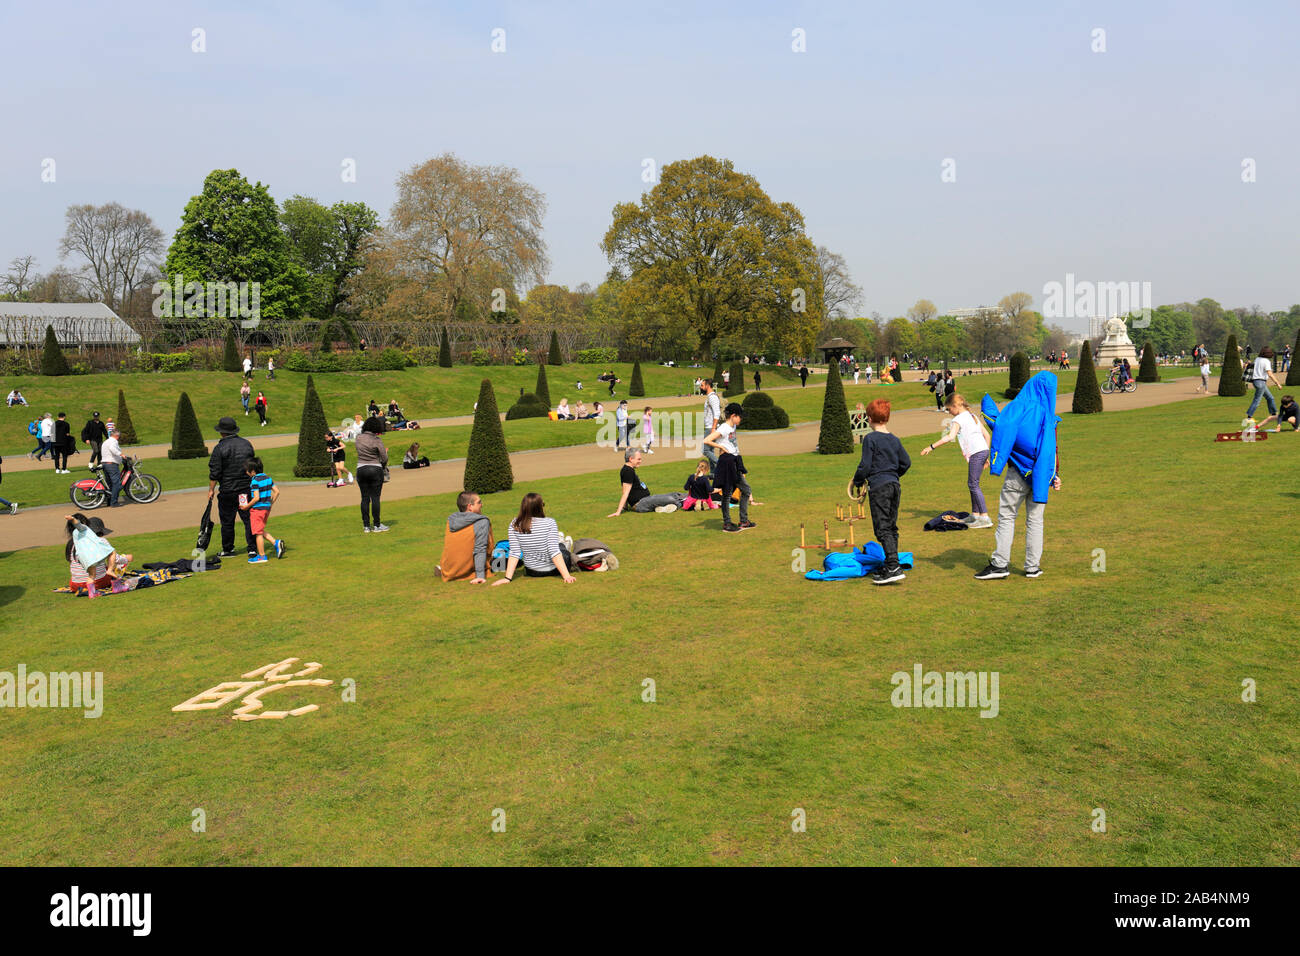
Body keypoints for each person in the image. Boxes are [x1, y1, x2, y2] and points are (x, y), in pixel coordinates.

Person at [975, 374, 1063, 581]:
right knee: (1035, 521)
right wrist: (1054, 474)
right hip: (1041, 476)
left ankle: (1000, 564)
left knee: (1007, 517)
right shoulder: (1049, 417)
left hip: (1018, 474)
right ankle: (1032, 567)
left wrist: (987, 408)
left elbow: (1000, 426)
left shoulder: (1019, 407)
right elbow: (1052, 450)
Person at [852, 399, 910, 583]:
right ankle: (892, 563)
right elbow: (906, 463)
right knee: (891, 526)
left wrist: (858, 480)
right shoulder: (894, 439)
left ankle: (893, 566)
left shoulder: (870, 439)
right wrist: (894, 475)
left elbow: (865, 465)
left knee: (882, 527)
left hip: (879, 487)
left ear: (869, 418)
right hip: (894, 485)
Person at [920, 393, 992, 528]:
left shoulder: (958, 419)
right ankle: (975, 515)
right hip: (982, 451)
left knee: (973, 484)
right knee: (972, 483)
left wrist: (931, 447)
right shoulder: (973, 416)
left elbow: (950, 437)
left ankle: (985, 517)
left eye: (949, 409)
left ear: (955, 406)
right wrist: (986, 454)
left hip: (977, 452)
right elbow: (987, 435)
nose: (949, 412)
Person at [493, 493, 578, 584]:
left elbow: (515, 552)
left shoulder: (514, 524)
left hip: (532, 571)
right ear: (539, 507)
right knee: (561, 549)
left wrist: (507, 578)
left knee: (558, 547)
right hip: (554, 569)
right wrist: (566, 576)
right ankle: (563, 543)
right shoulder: (550, 522)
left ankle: (560, 540)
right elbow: (553, 551)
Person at [207, 417, 256, 555]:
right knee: (248, 519)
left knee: (227, 521)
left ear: (222, 432)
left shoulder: (220, 448)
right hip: (244, 489)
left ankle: (228, 549)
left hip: (228, 490)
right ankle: (252, 548)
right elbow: (253, 466)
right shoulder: (246, 444)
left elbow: (215, 472)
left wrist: (211, 489)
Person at [704, 402, 754, 533]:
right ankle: (728, 523)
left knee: (745, 490)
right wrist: (720, 447)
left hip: (734, 461)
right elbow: (707, 440)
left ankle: (743, 521)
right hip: (727, 462)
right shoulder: (724, 428)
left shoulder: (732, 427)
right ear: (733, 416)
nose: (741, 419)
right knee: (727, 494)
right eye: (740, 416)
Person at [64, 513, 127, 596]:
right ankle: (116, 585)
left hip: (75, 584)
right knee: (111, 563)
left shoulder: (72, 544)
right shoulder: (97, 539)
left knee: (91, 575)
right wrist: (126, 559)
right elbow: (116, 559)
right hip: (99, 582)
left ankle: (92, 593)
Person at [608, 448, 686, 515]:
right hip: (641, 504)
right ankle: (686, 503)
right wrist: (619, 511)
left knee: (674, 494)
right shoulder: (628, 471)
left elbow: (624, 489)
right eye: (638, 459)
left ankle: (690, 497)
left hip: (646, 500)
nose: (640, 461)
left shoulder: (628, 470)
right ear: (631, 459)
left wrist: (625, 507)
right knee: (670, 499)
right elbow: (625, 492)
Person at [440, 492, 493, 583]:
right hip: (465, 569)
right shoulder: (482, 521)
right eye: (479, 502)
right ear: (470, 507)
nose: (482, 505)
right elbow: (480, 548)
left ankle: (447, 570)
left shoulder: (451, 519)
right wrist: (480, 576)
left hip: (448, 569)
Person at [240, 456, 285, 563]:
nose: (246, 472)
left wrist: (246, 506)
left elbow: (256, 498)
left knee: (257, 533)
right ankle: (275, 542)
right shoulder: (268, 478)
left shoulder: (254, 481)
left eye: (247, 470)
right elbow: (277, 492)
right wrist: (270, 504)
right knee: (259, 529)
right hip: (266, 509)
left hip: (257, 510)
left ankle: (262, 556)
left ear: (253, 471)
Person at [356, 416, 390, 533]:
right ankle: (377, 525)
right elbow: (384, 457)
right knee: (375, 498)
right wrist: (383, 461)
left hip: (361, 468)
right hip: (375, 468)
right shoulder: (376, 440)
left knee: (365, 498)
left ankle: (366, 526)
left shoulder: (358, 438)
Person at [1245, 347, 1282, 421]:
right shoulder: (1266, 361)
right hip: (1261, 382)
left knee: (1270, 398)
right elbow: (1270, 373)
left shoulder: (1257, 359)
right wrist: (1278, 383)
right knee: (1257, 400)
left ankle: (1274, 414)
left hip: (1256, 381)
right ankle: (1249, 417)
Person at [700, 379, 722, 478]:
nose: (701, 387)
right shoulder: (709, 397)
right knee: (711, 450)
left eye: (702, 385)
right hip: (710, 427)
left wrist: (713, 428)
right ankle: (713, 473)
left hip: (711, 428)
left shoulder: (712, 397)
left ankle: (721, 465)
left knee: (705, 450)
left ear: (708, 385)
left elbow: (717, 413)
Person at [100, 428, 125, 507]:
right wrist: (121, 454)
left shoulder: (106, 441)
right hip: (111, 465)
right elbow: (112, 449)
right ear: (117, 436)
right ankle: (114, 503)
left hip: (105, 464)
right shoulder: (114, 441)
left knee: (109, 484)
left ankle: (109, 501)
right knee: (116, 483)